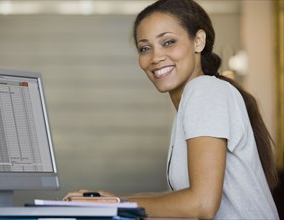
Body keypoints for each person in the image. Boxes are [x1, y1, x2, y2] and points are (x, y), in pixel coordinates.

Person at [65, 0, 279, 218]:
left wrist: (114, 203)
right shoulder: (193, 101)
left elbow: (202, 205)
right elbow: (184, 200)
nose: (155, 57)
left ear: (198, 41)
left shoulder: (204, 90)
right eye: (145, 48)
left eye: (168, 42)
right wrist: (111, 199)